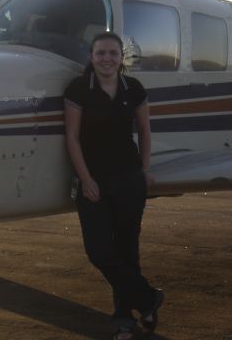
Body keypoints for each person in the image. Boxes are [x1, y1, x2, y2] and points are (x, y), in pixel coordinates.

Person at [64, 31, 164, 340]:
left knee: (127, 251)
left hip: (128, 179)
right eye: (100, 53)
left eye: (113, 53)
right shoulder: (79, 89)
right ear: (91, 57)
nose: (107, 58)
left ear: (122, 58)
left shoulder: (132, 88)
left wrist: (145, 169)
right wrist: (85, 178)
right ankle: (148, 299)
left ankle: (124, 319)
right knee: (99, 251)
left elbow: (145, 131)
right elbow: (73, 138)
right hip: (94, 182)